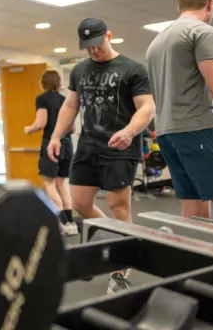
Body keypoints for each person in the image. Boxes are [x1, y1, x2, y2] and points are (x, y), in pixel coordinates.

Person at [47, 17, 154, 294]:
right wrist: (56, 136)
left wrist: (130, 132)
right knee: (81, 204)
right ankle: (120, 239)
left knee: (120, 208)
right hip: (87, 146)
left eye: (97, 44)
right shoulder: (80, 70)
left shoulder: (133, 69)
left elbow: (146, 108)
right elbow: (71, 105)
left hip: (120, 148)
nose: (93, 51)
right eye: (88, 47)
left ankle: (122, 268)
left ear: (108, 36)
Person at [145, 0, 213, 219]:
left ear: (181, 5)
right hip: (200, 130)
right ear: (211, 4)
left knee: (194, 216)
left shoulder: (156, 43)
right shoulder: (202, 31)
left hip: (169, 135)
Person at [23, 69, 78, 235]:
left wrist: (29, 129)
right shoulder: (64, 100)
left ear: (43, 83)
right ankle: (70, 223)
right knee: (61, 184)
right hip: (67, 145)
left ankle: (61, 222)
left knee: (49, 183)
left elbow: (41, 122)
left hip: (51, 145)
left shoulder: (42, 99)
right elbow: (73, 128)